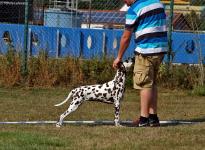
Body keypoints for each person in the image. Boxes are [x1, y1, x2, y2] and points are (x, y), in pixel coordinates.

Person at [113, 0, 167, 127]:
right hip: (161, 49)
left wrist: (119, 57)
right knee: (152, 83)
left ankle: (143, 119)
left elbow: (126, 37)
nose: (126, 3)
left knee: (144, 84)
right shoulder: (158, 3)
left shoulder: (134, 10)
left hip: (146, 50)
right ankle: (153, 118)